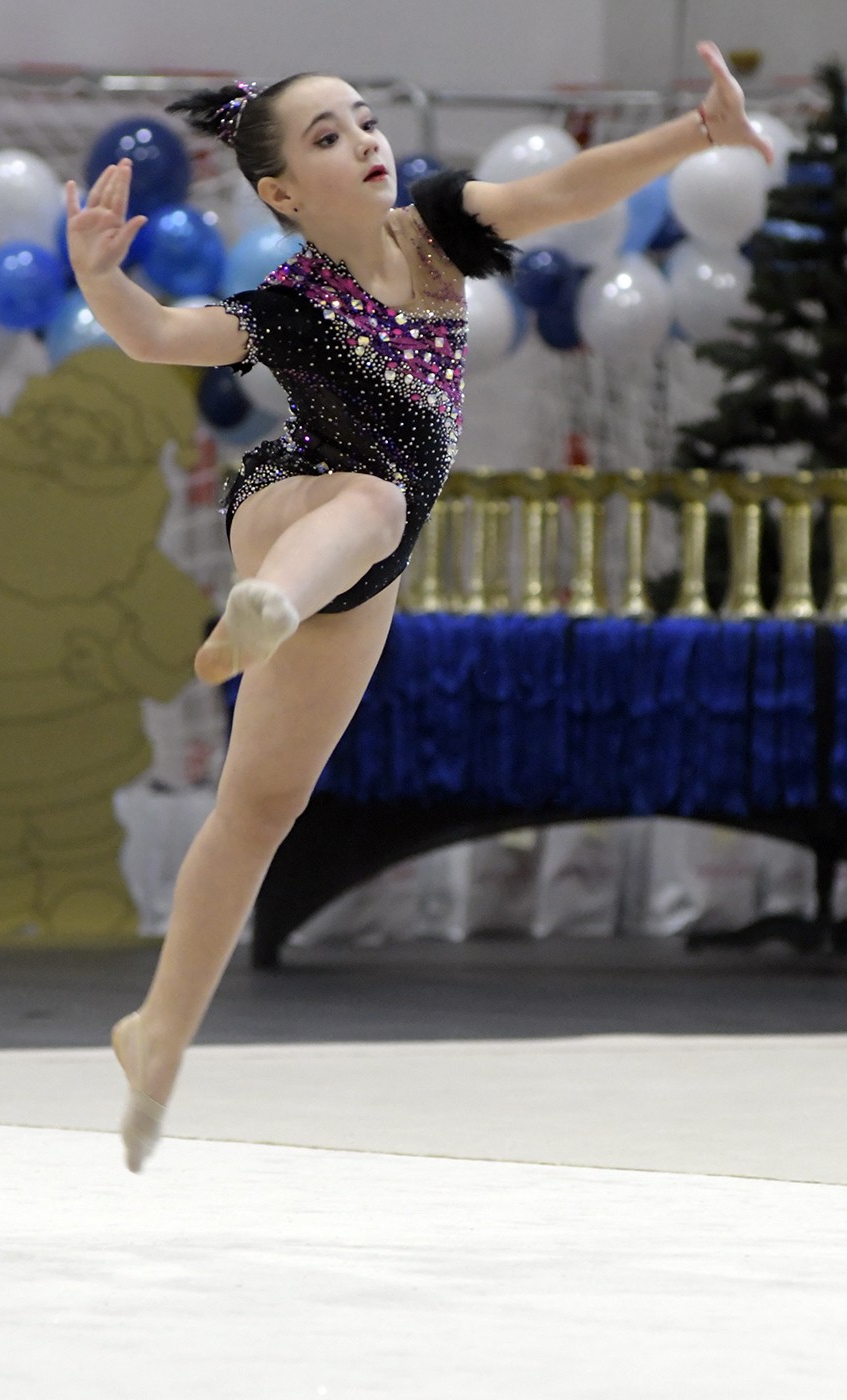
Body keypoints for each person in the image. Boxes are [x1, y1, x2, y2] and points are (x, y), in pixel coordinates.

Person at [65, 42, 771, 1171]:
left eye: (365, 120)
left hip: (363, 568)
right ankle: (259, 607)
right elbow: (157, 336)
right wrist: (102, 277)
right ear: (282, 193)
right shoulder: (290, 306)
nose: (364, 142)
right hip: (290, 509)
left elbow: (563, 190)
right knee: (375, 494)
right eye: (328, 137)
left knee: (261, 808)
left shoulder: (439, 233)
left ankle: (158, 1035)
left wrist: (698, 132)